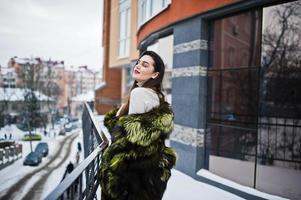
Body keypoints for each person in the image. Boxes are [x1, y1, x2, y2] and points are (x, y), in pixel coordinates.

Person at [99, 51, 177, 200]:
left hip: (131, 180)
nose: (138, 66)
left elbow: (130, 139)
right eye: (139, 62)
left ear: (155, 75)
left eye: (145, 64)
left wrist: (117, 119)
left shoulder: (139, 93)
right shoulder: (157, 95)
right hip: (147, 178)